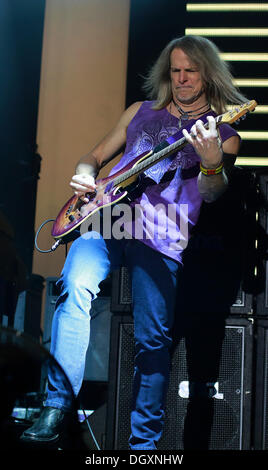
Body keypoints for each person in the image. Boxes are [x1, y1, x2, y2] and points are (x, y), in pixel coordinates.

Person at [21, 35, 247, 450]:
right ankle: (56, 405)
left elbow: (213, 194)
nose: (181, 79)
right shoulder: (141, 111)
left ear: (207, 75)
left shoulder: (225, 133)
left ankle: (143, 446)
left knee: (152, 340)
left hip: (163, 236)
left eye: (190, 72)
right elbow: (92, 157)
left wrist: (212, 162)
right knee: (73, 289)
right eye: (175, 70)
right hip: (108, 218)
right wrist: (85, 176)